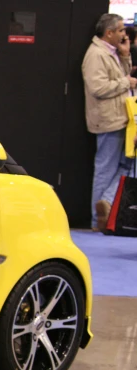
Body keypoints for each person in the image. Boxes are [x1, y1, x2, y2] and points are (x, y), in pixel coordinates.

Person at [82, 13, 137, 231]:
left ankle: (107, 203)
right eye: (122, 30)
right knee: (105, 168)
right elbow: (98, 88)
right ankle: (98, 221)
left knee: (126, 165)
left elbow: (119, 77)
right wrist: (126, 82)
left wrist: (124, 56)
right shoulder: (96, 55)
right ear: (109, 32)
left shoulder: (111, 53)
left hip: (121, 119)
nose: (125, 34)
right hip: (107, 121)